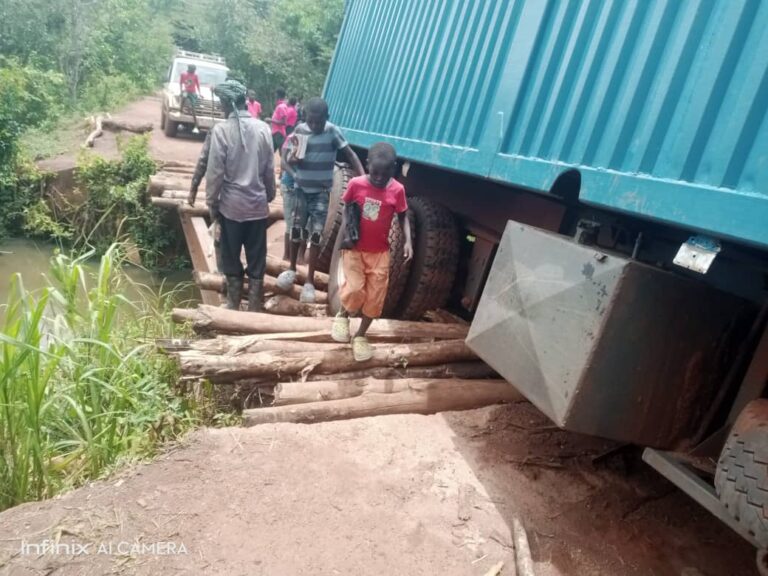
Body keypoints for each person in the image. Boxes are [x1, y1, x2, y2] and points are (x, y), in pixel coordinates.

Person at [277, 97, 364, 303]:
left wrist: (363, 179)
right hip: (300, 191)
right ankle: (291, 270)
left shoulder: (333, 132)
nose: (314, 125)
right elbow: (285, 160)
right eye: (311, 121)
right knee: (296, 231)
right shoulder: (300, 130)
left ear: (327, 117)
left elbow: (351, 155)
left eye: (319, 121)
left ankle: (309, 281)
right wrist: (293, 171)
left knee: (315, 236)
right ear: (305, 117)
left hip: (321, 193)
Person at [330, 142, 412, 361]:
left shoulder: (397, 190)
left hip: (380, 254)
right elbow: (347, 208)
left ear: (393, 169)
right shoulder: (356, 184)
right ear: (367, 165)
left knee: (375, 299)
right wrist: (349, 230)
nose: (379, 178)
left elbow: (403, 216)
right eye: (375, 172)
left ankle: (360, 336)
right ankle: (343, 315)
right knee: (355, 289)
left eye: (385, 173)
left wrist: (408, 241)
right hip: (355, 250)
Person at [205, 79, 276, 311]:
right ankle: (254, 306)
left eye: (221, 103)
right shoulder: (263, 128)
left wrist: (212, 202)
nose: (221, 107)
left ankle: (233, 304)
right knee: (256, 257)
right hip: (257, 207)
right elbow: (269, 169)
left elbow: (215, 172)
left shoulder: (222, 130)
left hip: (231, 208)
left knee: (231, 256)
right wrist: (270, 194)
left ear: (228, 104)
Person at [180, 64, 201, 133]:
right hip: (185, 91)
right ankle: (180, 114)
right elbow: (181, 83)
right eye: (193, 69)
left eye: (194, 70)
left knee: (193, 108)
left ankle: (195, 125)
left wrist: (200, 93)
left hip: (192, 92)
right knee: (182, 101)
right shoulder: (183, 74)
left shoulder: (195, 75)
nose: (194, 71)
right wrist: (181, 91)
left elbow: (198, 84)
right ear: (189, 69)